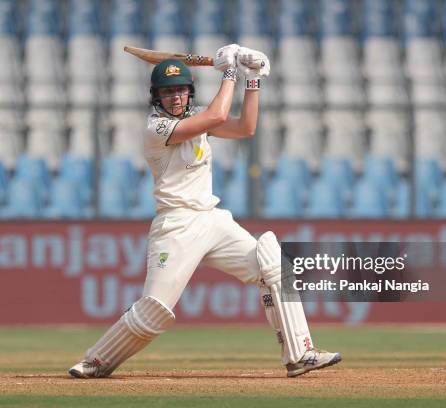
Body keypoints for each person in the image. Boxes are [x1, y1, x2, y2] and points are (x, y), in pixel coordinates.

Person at [69, 44, 341, 378]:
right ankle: (97, 360)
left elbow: (245, 128)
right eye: (168, 92)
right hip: (176, 226)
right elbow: (217, 116)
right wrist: (230, 72)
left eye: (181, 90)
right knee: (154, 311)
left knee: (272, 261)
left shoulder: (197, 121)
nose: (175, 98)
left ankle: (300, 354)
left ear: (189, 93)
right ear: (157, 97)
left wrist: (253, 79)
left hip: (212, 219)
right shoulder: (156, 129)